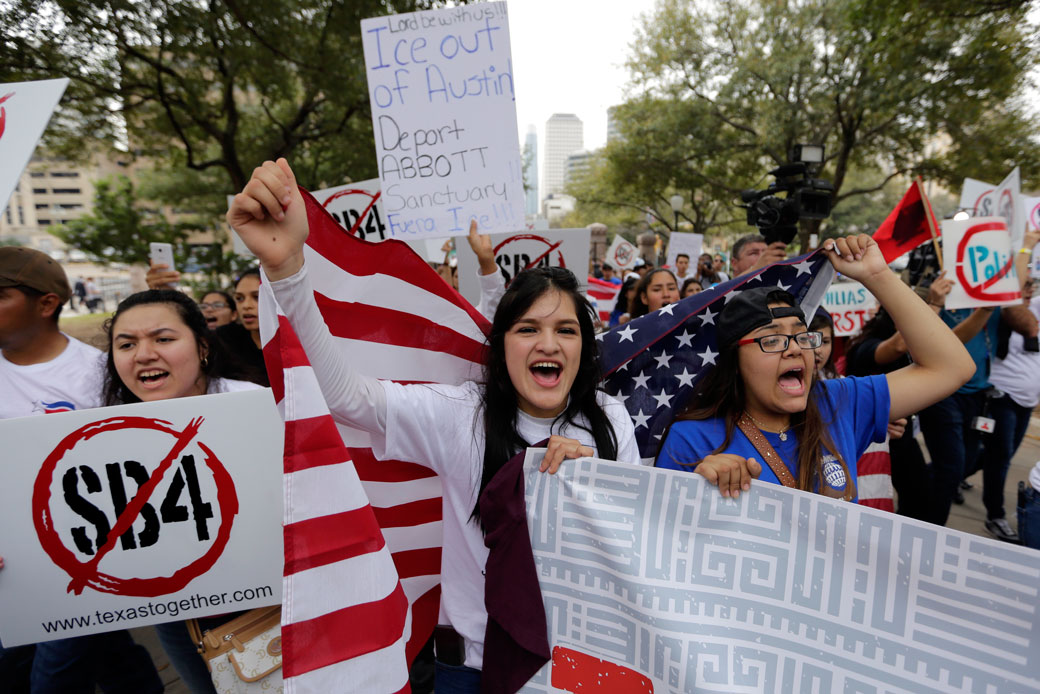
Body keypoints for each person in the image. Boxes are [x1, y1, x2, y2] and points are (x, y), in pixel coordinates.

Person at [227, 159, 640, 692]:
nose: (548, 343)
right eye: (527, 328)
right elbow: (348, 397)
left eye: (566, 329)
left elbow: (634, 538)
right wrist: (289, 272)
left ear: (584, 348)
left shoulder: (608, 418)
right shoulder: (459, 413)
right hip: (470, 668)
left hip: (584, 662)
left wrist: (600, 489)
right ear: (502, 346)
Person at [656, 235, 975, 502]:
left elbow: (952, 368)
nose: (794, 347)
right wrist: (699, 490)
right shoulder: (690, 440)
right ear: (735, 362)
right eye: (773, 340)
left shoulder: (840, 402)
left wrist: (877, 276)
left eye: (801, 335)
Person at [0, 247, 162, 694]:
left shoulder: (100, 372)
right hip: (14, 565)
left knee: (52, 677)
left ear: (46, 303)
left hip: (89, 558)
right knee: (103, 655)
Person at [100, 289, 262, 694]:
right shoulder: (99, 437)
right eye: (126, 344)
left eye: (163, 339)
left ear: (202, 346)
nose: (143, 354)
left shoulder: (259, 408)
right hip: (176, 614)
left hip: (272, 602)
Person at [918, 231, 1037, 527]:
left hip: (978, 395)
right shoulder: (942, 294)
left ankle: (916, 496)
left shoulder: (994, 297)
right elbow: (946, 344)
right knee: (951, 467)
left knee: (964, 464)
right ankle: (928, 528)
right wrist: (974, 308)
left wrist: (1026, 245)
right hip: (944, 392)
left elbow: (1014, 284)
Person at [844, 270, 954, 521]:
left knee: (921, 498)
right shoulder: (865, 347)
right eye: (906, 310)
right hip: (874, 441)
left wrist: (986, 311)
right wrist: (934, 305)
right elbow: (898, 345)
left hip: (902, 435)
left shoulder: (916, 347)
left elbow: (954, 357)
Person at [980, 278, 1040, 542]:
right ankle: (996, 515)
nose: (1029, 290)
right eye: (1025, 285)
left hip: (1027, 401)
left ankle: (948, 473)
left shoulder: (1036, 310)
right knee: (1001, 455)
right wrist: (1025, 250)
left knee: (1000, 455)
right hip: (1002, 394)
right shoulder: (1007, 310)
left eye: (1033, 285)